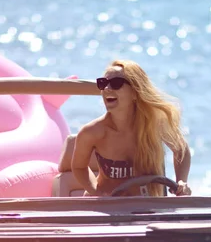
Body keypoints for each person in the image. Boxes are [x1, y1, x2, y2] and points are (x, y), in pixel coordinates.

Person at [72, 59, 192, 197]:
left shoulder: (154, 124)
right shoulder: (92, 132)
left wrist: (181, 182)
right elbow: (79, 167)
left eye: (116, 83)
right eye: (103, 83)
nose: (107, 89)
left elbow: (181, 151)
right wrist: (97, 192)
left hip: (147, 206)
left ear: (135, 92)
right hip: (106, 208)